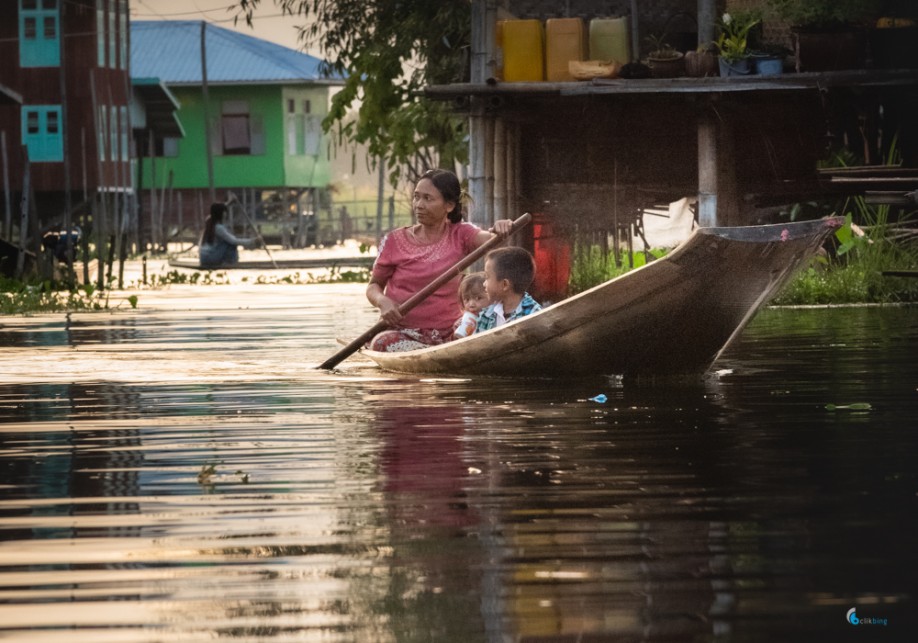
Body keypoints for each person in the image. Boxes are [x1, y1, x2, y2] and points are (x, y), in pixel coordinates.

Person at [367, 169, 513, 352]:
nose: (419, 205)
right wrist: (383, 302)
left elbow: (491, 239)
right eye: (416, 197)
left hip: (452, 332)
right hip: (404, 332)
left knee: (483, 326)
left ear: (449, 206)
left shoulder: (460, 233)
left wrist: (501, 229)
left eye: (428, 199)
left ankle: (445, 350)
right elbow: (373, 286)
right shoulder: (393, 241)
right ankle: (429, 352)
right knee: (381, 343)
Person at [476, 246, 542, 332]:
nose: (484, 284)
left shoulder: (534, 315)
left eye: (487, 277)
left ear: (505, 284)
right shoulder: (487, 314)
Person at [198, 202, 261, 269]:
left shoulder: (210, 222)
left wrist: (230, 202)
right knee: (230, 244)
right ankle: (232, 262)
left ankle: (228, 261)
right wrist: (253, 241)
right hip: (210, 259)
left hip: (204, 258)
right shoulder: (218, 227)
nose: (226, 214)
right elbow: (234, 241)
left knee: (229, 241)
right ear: (221, 213)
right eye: (224, 212)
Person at [451, 272, 489, 340]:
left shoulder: (494, 316)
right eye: (467, 299)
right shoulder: (466, 320)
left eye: (478, 298)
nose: (471, 304)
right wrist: (457, 329)